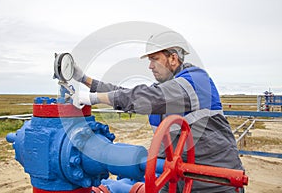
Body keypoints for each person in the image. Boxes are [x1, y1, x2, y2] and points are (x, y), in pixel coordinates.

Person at [72, 30, 244, 192]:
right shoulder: (165, 89)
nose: (150, 66)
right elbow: (126, 93)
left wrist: (93, 99)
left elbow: (146, 97)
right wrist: (84, 79)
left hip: (215, 182)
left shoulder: (196, 80)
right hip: (175, 177)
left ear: (173, 59)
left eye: (154, 59)